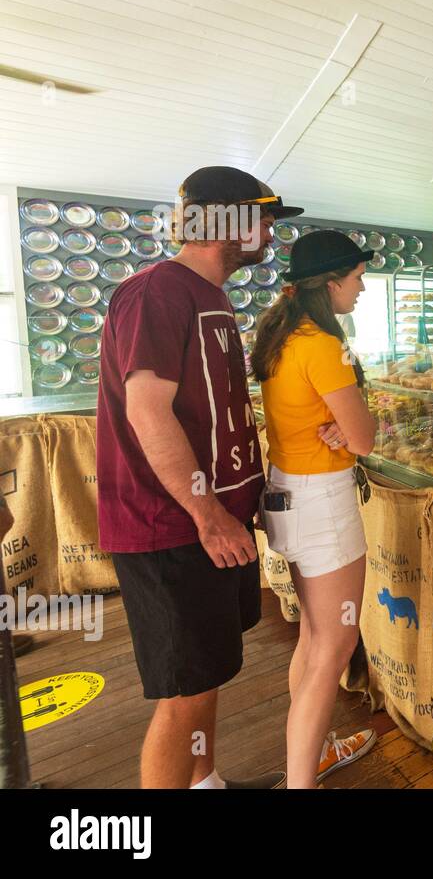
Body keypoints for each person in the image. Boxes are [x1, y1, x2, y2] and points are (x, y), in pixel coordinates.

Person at [97, 166, 300, 789]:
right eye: (262, 218)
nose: (269, 232)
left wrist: (240, 501)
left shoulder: (208, 294)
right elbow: (148, 411)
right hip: (172, 529)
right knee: (182, 690)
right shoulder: (157, 292)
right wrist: (208, 513)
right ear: (225, 220)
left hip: (210, 522)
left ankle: (204, 780)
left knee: (205, 673)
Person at [251, 231, 378, 789]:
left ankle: (314, 752)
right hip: (322, 503)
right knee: (335, 647)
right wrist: (350, 428)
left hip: (286, 495)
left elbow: (334, 426)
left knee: (313, 638)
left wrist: (339, 429)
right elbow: (366, 437)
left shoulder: (282, 335)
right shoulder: (323, 344)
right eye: (356, 279)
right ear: (330, 285)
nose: (362, 288)